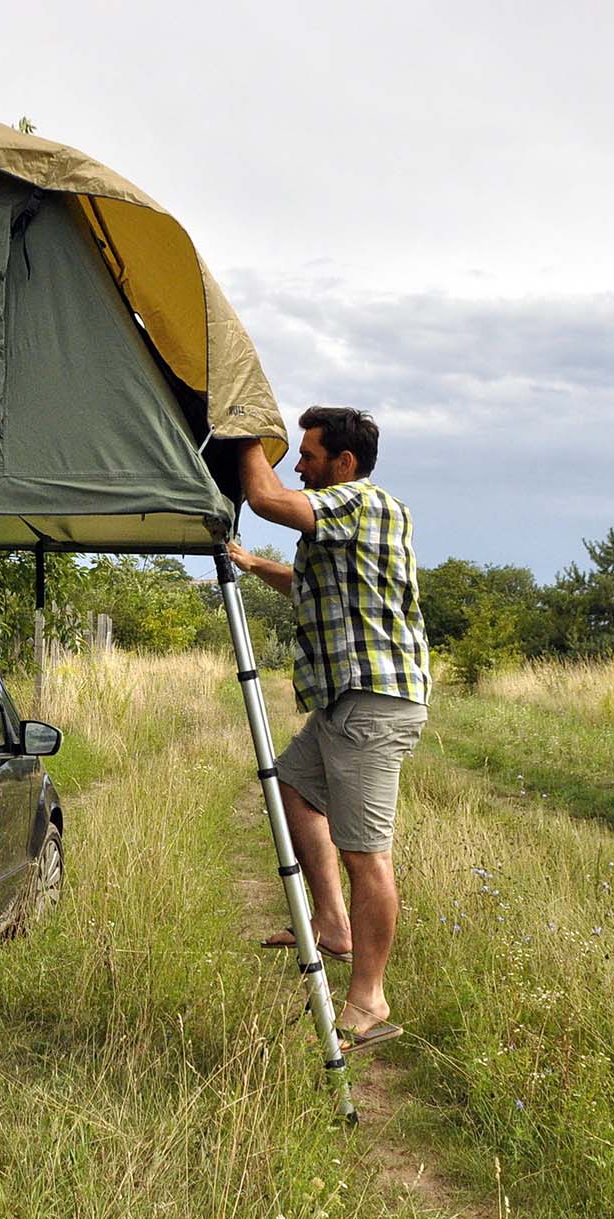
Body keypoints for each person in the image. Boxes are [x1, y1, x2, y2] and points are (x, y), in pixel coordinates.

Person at [230, 406, 431, 1049]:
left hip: (372, 700)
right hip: (343, 703)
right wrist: (255, 566)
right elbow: (316, 585)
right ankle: (332, 924)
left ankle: (369, 999)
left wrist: (243, 430)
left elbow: (265, 498)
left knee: (365, 852)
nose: (297, 464)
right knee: (289, 787)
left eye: (308, 454)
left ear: (344, 463)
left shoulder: (363, 503)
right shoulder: (347, 521)